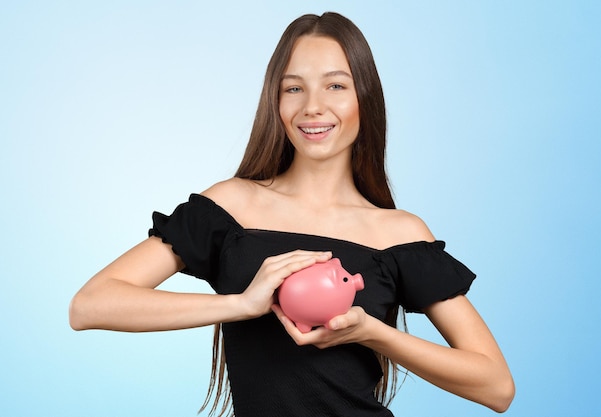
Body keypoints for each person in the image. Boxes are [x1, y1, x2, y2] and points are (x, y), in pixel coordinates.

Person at [69, 11, 514, 417]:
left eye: (336, 85)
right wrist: (241, 304)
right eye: (293, 88)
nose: (312, 107)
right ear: (276, 102)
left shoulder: (397, 233)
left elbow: (496, 388)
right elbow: (90, 306)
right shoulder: (232, 206)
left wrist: (371, 333)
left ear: (365, 98)